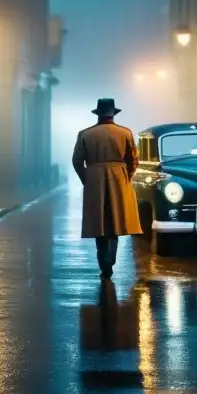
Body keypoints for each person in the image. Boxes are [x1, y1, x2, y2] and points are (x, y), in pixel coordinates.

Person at [71, 98, 142, 277]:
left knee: (99, 222)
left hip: (94, 177)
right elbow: (133, 160)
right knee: (115, 221)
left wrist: (87, 179)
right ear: (113, 113)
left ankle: (104, 263)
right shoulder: (125, 133)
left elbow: (77, 161)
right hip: (119, 177)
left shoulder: (85, 134)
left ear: (98, 113)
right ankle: (110, 260)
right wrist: (127, 177)